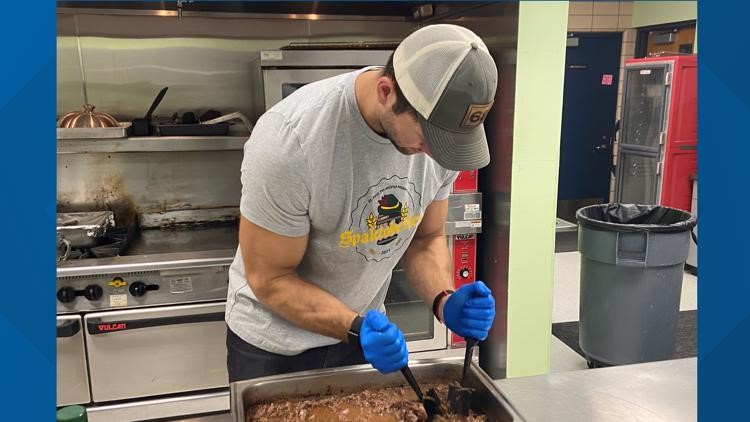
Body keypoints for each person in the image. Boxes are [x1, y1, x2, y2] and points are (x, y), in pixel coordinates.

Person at [226, 24, 498, 382]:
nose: (434, 154)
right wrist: (354, 326)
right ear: (386, 92)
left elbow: (425, 238)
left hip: (361, 334)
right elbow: (270, 278)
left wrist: (444, 299)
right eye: (429, 137)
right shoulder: (292, 141)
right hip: (274, 347)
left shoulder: (437, 153)